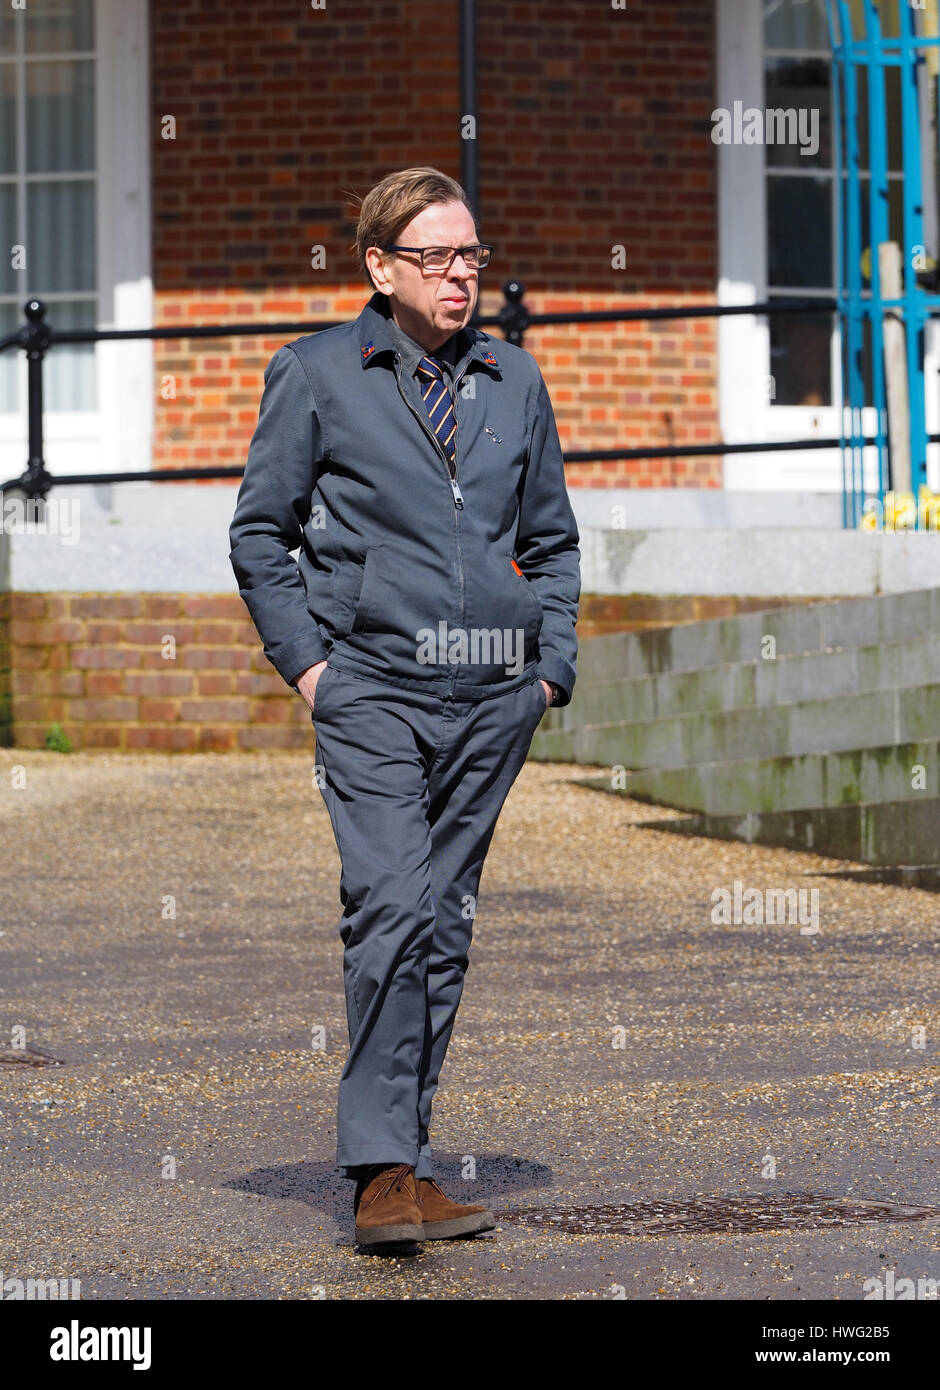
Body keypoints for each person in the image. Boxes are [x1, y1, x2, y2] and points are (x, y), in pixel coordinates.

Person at [229, 166, 580, 1247]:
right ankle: (380, 1171)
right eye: (434, 256)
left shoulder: (513, 381)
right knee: (389, 900)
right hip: (371, 685)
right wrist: (313, 670)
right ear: (379, 267)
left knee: (444, 921)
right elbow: (260, 534)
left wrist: (547, 670)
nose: (460, 274)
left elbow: (552, 541)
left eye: (471, 254)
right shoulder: (319, 374)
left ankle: (409, 1155)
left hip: (491, 696)